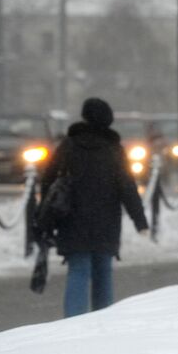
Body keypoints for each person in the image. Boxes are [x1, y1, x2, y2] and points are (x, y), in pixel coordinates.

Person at [40, 98, 148, 317]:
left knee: (78, 270)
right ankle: (102, 320)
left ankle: (73, 320)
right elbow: (127, 187)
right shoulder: (113, 149)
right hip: (106, 221)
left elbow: (48, 179)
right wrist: (140, 221)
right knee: (103, 271)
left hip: (72, 219)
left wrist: (46, 213)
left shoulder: (69, 145)